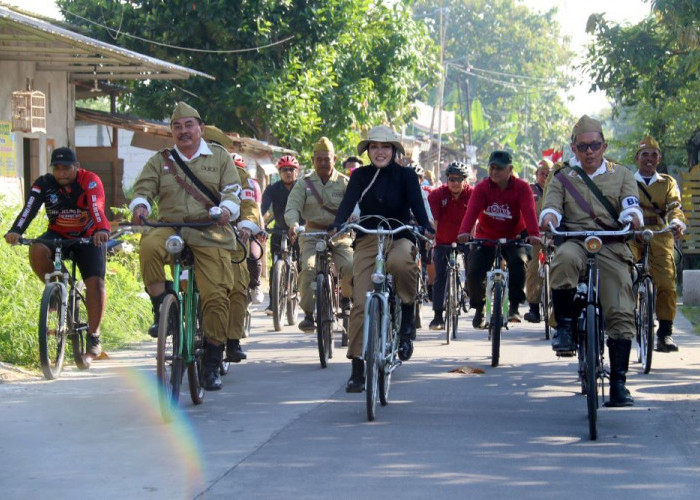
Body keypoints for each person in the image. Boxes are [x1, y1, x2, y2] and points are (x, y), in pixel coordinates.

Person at [129, 102, 241, 391]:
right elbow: (143, 189)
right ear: (172, 132)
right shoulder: (160, 160)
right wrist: (140, 206)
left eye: (189, 125)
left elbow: (232, 190)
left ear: (200, 128)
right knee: (148, 247)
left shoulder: (219, 156)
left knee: (216, 297)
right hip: (171, 226)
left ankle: (213, 360)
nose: (183, 131)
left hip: (209, 229)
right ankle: (163, 309)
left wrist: (227, 209)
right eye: (177, 127)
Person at [540, 115, 643, 407]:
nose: (589, 152)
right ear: (573, 147)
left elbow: (630, 206)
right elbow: (551, 207)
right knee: (562, 260)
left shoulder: (622, 174)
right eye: (583, 146)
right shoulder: (561, 177)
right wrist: (548, 218)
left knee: (621, 310)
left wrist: (633, 218)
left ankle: (619, 384)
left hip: (611, 245)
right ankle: (565, 327)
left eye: (594, 145)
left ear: (604, 146)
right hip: (575, 241)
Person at [331, 125, 433, 393]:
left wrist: (426, 227)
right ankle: (357, 367)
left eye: (385, 147)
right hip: (367, 237)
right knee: (361, 302)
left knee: (402, 263)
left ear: (394, 151)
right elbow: (348, 202)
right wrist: (338, 222)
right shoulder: (360, 176)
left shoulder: (407, 176)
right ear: (367, 151)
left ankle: (407, 317)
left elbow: (417, 207)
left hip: (400, 235)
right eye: (374, 147)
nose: (379, 152)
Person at [4, 147, 110, 362]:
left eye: (67, 168)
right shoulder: (44, 183)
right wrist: (16, 230)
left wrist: (101, 229)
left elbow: (97, 205)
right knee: (36, 249)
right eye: (57, 168)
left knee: (96, 283)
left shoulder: (89, 180)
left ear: (77, 167)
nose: (61, 173)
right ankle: (55, 291)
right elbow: (29, 208)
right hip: (57, 234)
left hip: (88, 236)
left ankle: (94, 336)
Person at [457, 150, 540, 328]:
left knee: (519, 262)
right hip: (485, 237)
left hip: (513, 237)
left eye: (500, 169)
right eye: (492, 168)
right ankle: (479, 309)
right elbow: (471, 212)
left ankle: (514, 306)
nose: (495, 172)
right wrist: (464, 232)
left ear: (510, 169)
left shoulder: (522, 188)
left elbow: (529, 212)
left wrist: (534, 234)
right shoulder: (481, 188)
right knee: (474, 271)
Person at [202, 126, 261, 362]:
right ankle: (175, 319)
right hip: (195, 235)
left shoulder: (241, 175)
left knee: (237, 286)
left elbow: (250, 206)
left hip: (231, 238)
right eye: (206, 147)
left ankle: (233, 340)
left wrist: (246, 224)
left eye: (216, 148)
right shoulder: (183, 169)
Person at [284, 137, 353, 332]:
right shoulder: (303, 183)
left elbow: (355, 208)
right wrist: (294, 223)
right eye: (319, 159)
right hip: (312, 234)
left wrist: (352, 221)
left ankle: (346, 299)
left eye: (327, 159)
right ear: (313, 160)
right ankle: (308, 314)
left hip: (339, 234)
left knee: (350, 265)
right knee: (308, 268)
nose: (323, 163)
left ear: (334, 159)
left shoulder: (344, 183)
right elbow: (292, 207)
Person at [628, 136, 686, 352]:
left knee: (667, 282)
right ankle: (625, 318)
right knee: (624, 271)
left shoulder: (667, 182)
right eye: (645, 155)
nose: (649, 159)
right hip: (633, 234)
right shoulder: (627, 180)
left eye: (654, 155)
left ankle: (664, 334)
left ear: (659, 159)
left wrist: (676, 223)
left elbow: (674, 206)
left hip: (660, 234)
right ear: (637, 158)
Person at [427, 161, 472, 329]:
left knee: (473, 264)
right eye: (452, 179)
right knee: (441, 275)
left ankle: (468, 289)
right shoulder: (436, 195)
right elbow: (435, 221)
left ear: (465, 180)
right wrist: (434, 242)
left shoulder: (473, 194)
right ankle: (438, 316)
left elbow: (476, 219)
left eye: (459, 179)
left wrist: (471, 238)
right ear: (447, 179)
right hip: (444, 239)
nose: (455, 183)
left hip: (465, 238)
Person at [261, 155, 302, 315]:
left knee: (302, 264)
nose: (288, 172)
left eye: (291, 169)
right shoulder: (272, 189)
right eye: (284, 169)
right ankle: (273, 302)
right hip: (279, 231)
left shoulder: (303, 187)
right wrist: (261, 225)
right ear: (279, 172)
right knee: (275, 267)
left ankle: (299, 293)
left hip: (299, 231)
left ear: (296, 171)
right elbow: (264, 210)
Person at [524, 159, 552, 323]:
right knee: (533, 268)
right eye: (542, 174)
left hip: (554, 234)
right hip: (534, 235)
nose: (545, 177)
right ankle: (534, 307)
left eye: (548, 174)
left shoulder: (556, 189)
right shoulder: (529, 191)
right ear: (536, 175)